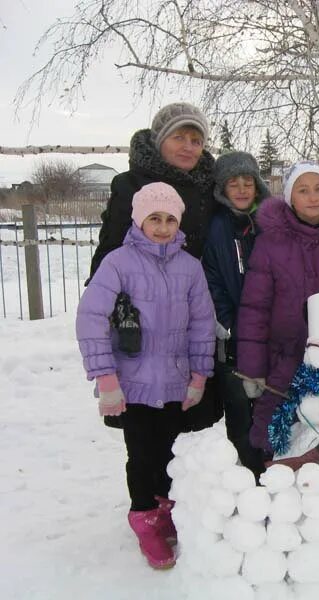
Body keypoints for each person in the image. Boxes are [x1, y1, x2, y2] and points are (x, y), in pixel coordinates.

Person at [75, 182, 215, 569]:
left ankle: (166, 507)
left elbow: (203, 324)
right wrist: (105, 379)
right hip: (131, 386)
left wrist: (199, 376)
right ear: (139, 220)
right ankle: (144, 517)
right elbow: (91, 319)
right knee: (140, 455)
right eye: (154, 218)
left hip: (174, 382)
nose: (163, 226)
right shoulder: (118, 263)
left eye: (171, 219)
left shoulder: (190, 268)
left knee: (169, 453)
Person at [88, 102, 218, 431]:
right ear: (160, 139)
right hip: (142, 316)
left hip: (191, 309)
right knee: (146, 437)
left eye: (196, 140)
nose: (188, 147)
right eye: (179, 137)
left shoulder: (208, 185)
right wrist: (118, 310)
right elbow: (110, 249)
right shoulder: (131, 184)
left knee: (194, 435)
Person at [236, 161, 319, 459]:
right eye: (303, 190)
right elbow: (255, 309)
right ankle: (272, 489)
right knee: (275, 431)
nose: (313, 196)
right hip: (281, 359)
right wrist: (253, 371)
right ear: (291, 197)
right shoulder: (269, 244)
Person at [202, 151, 270, 475]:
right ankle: (248, 478)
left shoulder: (270, 222)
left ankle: (275, 476)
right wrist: (230, 323)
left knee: (271, 410)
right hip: (233, 340)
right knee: (240, 415)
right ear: (222, 188)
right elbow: (211, 279)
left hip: (271, 336)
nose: (242, 189)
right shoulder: (216, 227)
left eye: (248, 182)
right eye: (233, 183)